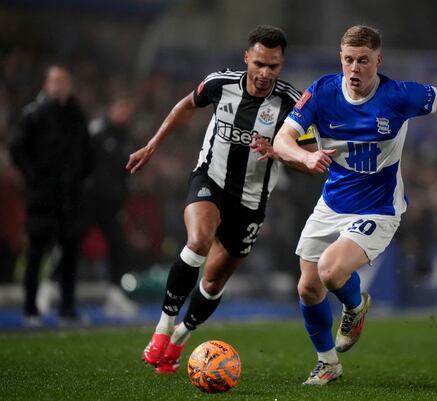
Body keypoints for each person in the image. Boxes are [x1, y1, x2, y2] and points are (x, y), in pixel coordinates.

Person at [266, 25, 437, 385]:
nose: (354, 68)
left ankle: (355, 306)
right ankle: (328, 364)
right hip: (332, 203)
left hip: (378, 208)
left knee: (330, 270)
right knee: (308, 288)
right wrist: (305, 158)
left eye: (363, 61)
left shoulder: (399, 96)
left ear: (378, 60)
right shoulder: (322, 92)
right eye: (348, 60)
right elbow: (282, 141)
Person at [126, 25, 301, 374]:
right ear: (247, 58)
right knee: (197, 242)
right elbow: (186, 105)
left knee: (214, 281)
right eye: (260, 64)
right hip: (211, 179)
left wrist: (280, 151)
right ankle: (162, 328)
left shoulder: (291, 103)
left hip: (251, 201)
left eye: (274, 66)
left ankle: (180, 336)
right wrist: (153, 143)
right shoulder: (220, 83)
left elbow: (310, 156)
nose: (266, 73)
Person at [9, 65, 92, 325]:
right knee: (36, 255)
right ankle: (30, 309)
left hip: (69, 198)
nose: (60, 85)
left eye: (64, 81)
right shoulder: (33, 115)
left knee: (69, 256)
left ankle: (67, 308)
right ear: (46, 84)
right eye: (55, 81)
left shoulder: (76, 115)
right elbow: (17, 149)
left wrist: (80, 179)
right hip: (42, 198)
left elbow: (88, 152)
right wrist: (34, 177)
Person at [82, 94, 138, 318]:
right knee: (70, 241)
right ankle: (49, 288)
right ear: (111, 108)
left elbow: (126, 170)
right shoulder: (95, 131)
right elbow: (81, 161)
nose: (124, 114)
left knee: (118, 245)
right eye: (121, 108)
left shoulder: (126, 136)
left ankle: (115, 294)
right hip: (89, 200)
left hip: (112, 203)